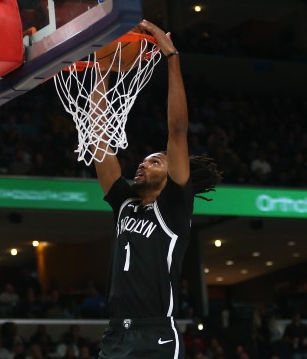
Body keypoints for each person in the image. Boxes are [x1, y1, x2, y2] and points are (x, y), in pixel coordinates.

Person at [92, 20, 222, 359]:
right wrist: (100, 71)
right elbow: (100, 142)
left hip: (155, 334)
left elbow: (177, 129)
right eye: (145, 160)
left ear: (172, 175)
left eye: (155, 162)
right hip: (115, 332)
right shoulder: (124, 202)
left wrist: (172, 57)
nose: (143, 164)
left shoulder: (175, 207)